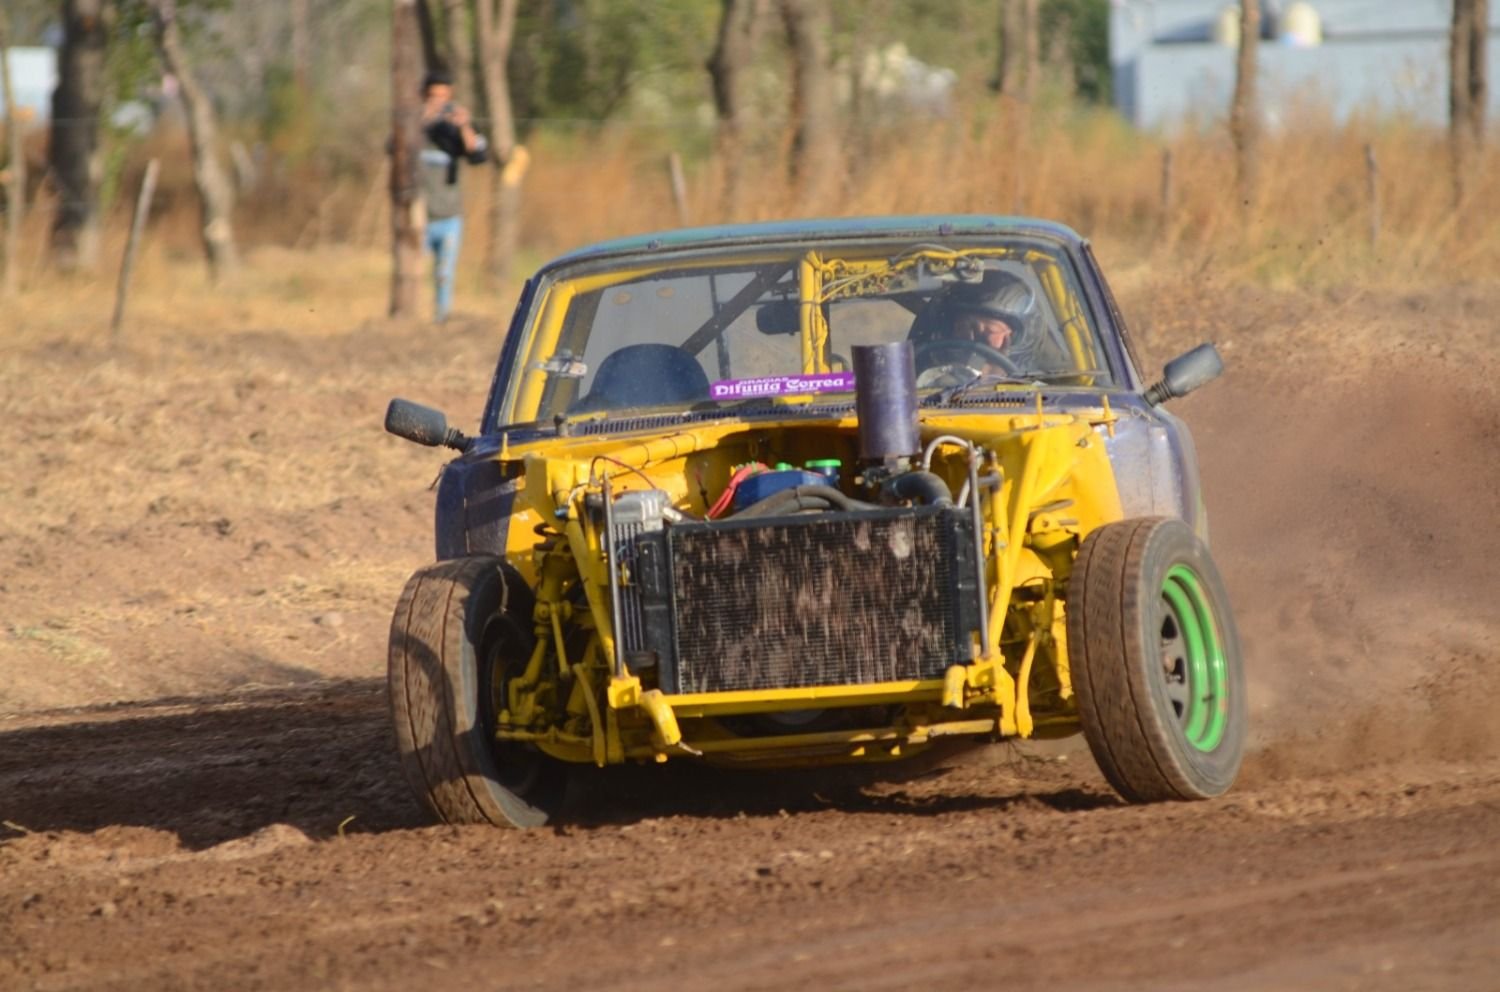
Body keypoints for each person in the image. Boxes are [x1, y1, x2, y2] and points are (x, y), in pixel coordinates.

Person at [418, 70, 489, 322]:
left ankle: (441, 319)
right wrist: (424, 120)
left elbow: (478, 155)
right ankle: (412, 319)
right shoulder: (413, 129)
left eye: (444, 97)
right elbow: (393, 148)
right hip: (417, 217)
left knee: (444, 273)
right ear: (423, 98)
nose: (439, 103)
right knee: (414, 273)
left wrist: (464, 125)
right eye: (433, 97)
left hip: (449, 215)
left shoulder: (452, 132)